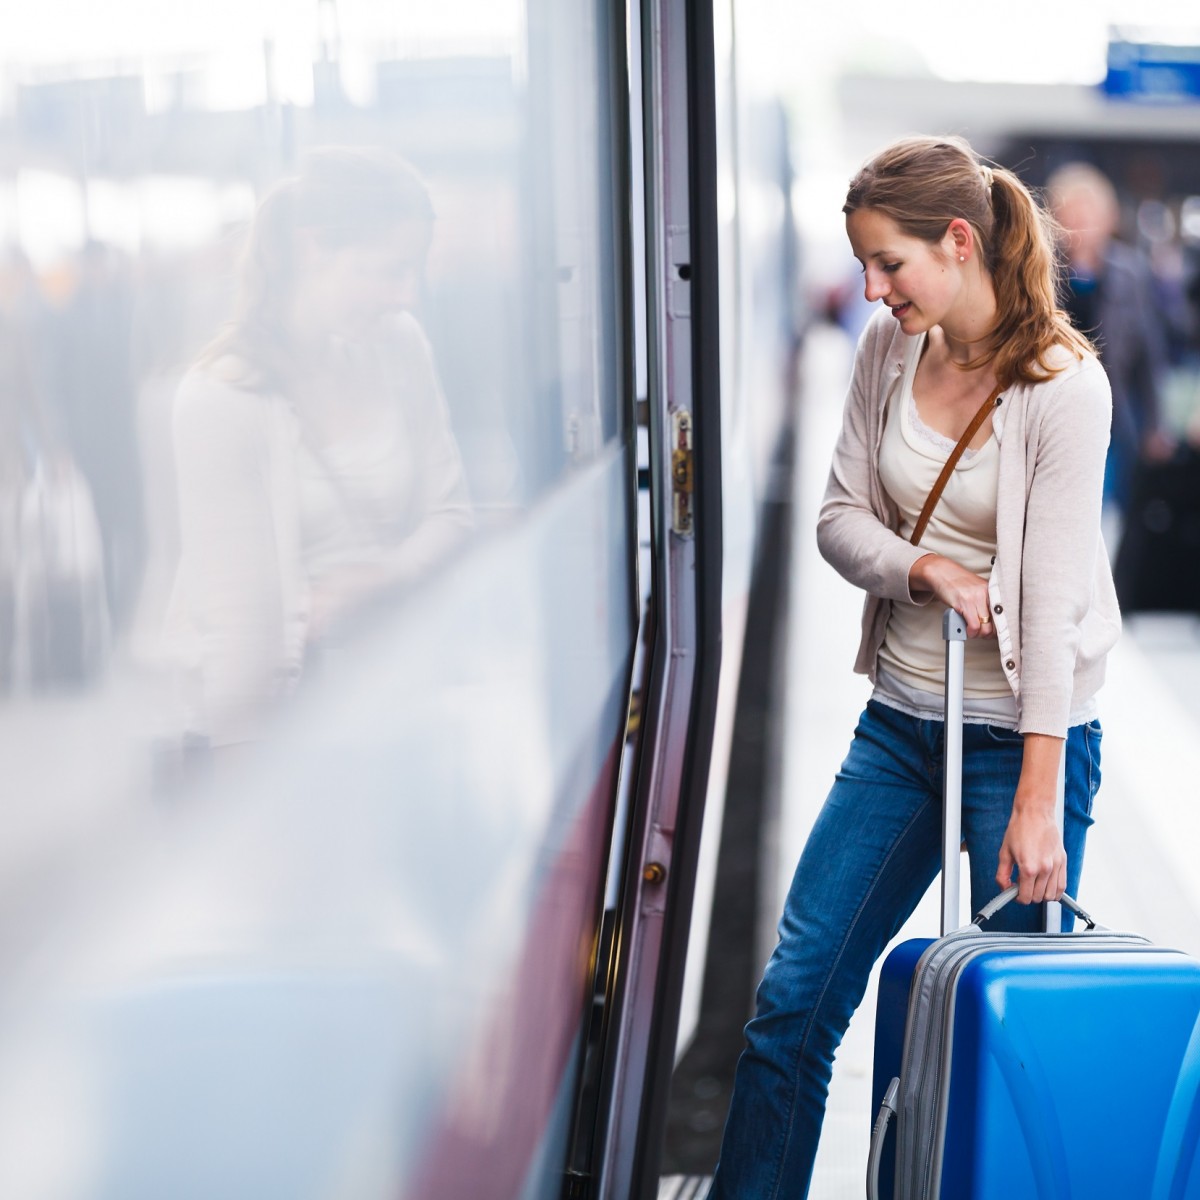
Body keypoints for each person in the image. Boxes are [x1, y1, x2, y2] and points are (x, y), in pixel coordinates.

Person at [707, 135, 1120, 1198]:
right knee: (792, 1007)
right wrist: (924, 565)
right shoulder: (890, 352)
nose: (870, 287)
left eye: (889, 263)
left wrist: (1037, 797)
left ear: (959, 240)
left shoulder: (1065, 388)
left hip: (1021, 745)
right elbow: (840, 522)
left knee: (1005, 1036)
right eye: (863, 265)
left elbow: (1057, 598)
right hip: (900, 728)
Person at [165, 147, 473, 750]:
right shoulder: (221, 400)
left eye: (415, 272)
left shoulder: (399, 346)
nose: (407, 294)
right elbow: (237, 636)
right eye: (389, 270)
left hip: (401, 701)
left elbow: (453, 516)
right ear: (314, 248)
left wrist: (372, 577)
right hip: (294, 733)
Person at [1046, 162, 1173, 516]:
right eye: (1072, 214)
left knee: (1108, 506)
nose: (1082, 224)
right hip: (1056, 406)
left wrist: (1155, 424)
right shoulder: (1042, 269)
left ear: (1109, 219)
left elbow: (1149, 353)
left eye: (1090, 214)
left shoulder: (1130, 272)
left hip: (1112, 408)